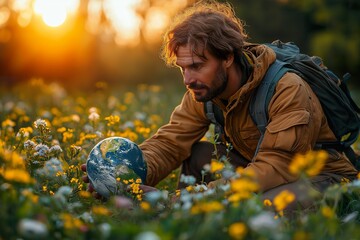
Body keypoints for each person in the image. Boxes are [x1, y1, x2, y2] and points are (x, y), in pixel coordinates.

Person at [82, 0, 358, 212]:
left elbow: (275, 168)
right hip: (254, 165)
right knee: (196, 155)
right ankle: (179, 219)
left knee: (259, 208)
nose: (188, 79)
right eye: (183, 68)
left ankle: (184, 213)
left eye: (197, 66)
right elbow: (170, 144)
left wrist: (177, 199)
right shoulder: (203, 90)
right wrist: (124, 178)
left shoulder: (286, 88)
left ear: (227, 57)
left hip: (319, 177)